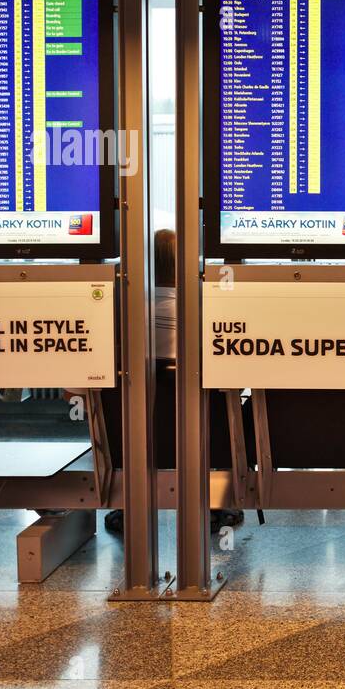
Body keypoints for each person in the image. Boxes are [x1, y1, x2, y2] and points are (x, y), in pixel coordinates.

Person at [105, 229, 244, 534]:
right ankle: (216, 500)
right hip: (206, 445)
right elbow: (238, 382)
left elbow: (75, 392)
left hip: (133, 446)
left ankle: (128, 497)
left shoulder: (121, 315)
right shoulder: (207, 314)